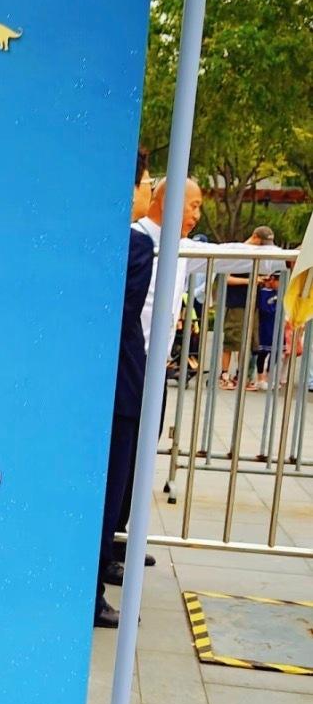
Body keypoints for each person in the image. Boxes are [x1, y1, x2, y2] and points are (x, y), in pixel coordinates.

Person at [95, 172, 202, 627]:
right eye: (143, 183)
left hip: (136, 375)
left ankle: (111, 551)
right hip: (125, 378)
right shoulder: (138, 244)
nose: (197, 215)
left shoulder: (171, 248)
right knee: (112, 480)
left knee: (126, 475)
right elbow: (124, 323)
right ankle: (93, 584)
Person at [220, 225, 273, 388]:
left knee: (249, 343)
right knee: (232, 341)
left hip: (253, 304)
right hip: (236, 303)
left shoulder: (257, 255)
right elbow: (226, 278)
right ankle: (224, 375)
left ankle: (241, 376)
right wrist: (249, 281)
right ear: (255, 237)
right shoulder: (238, 252)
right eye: (262, 243)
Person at [250, 271, 281, 390]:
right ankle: (260, 378)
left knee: (276, 352)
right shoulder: (263, 292)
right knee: (262, 352)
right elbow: (264, 308)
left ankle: (268, 377)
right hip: (265, 326)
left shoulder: (279, 292)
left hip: (276, 325)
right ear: (272, 279)